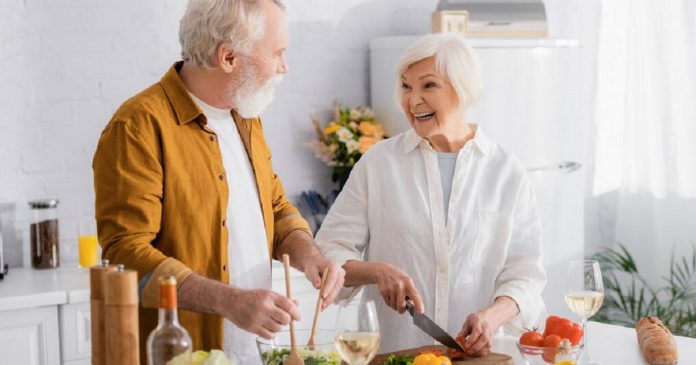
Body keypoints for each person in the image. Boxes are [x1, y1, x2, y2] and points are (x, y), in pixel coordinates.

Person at [92, 0, 345, 363]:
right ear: (228, 57)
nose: (284, 67)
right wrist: (230, 301)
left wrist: (310, 256)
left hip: (252, 352)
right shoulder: (138, 126)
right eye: (277, 53)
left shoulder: (246, 116)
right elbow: (126, 254)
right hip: (184, 353)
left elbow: (273, 207)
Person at [316, 33, 546, 356]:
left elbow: (526, 277)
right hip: (396, 357)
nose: (413, 100)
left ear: (462, 88)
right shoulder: (378, 165)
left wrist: (492, 318)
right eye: (406, 87)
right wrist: (377, 271)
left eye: (428, 86)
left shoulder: (506, 173)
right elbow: (328, 253)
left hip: (476, 360)